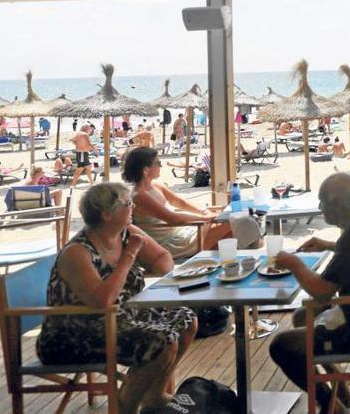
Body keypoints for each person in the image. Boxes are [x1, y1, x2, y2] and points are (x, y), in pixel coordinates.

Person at [36, 183, 197, 413]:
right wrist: (130, 256)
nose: (133, 207)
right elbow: (103, 300)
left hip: (120, 317)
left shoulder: (127, 233)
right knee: (162, 340)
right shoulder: (77, 252)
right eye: (128, 203)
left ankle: (154, 395)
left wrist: (161, 277)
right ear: (107, 214)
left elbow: (163, 257)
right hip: (74, 333)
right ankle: (124, 406)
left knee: (186, 319)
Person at [269, 173, 350, 413]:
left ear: (337, 204)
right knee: (302, 316)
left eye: (323, 202)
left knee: (282, 346)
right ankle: (339, 389)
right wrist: (329, 245)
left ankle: (331, 405)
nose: (320, 208)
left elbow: (321, 292)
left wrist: (295, 264)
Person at [123, 147, 231, 258]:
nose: (161, 166)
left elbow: (180, 202)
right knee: (228, 225)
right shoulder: (139, 196)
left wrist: (203, 211)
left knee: (231, 228)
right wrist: (203, 219)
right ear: (145, 170)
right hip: (170, 243)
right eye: (158, 163)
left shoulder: (156, 185)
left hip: (181, 231)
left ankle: (216, 261)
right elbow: (171, 218)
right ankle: (214, 260)